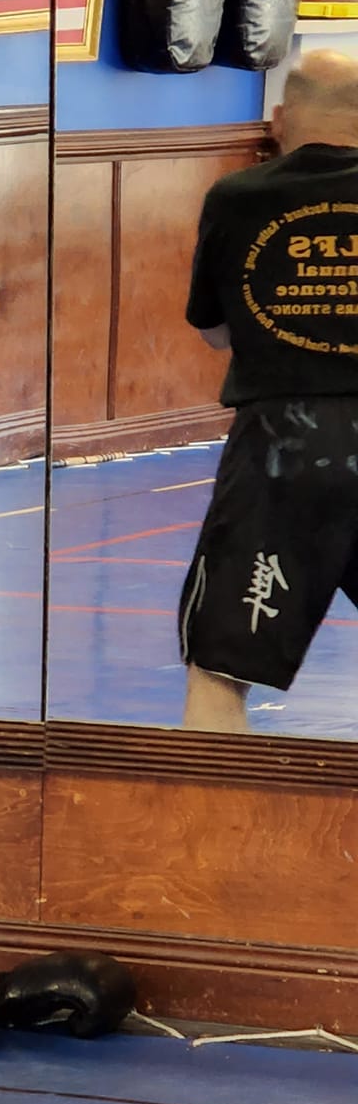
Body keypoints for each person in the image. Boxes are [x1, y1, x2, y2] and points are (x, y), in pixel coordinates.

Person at [179, 48, 358, 732]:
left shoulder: (238, 197)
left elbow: (217, 333)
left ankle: (205, 832)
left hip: (284, 450)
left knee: (221, 667)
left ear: (282, 118)